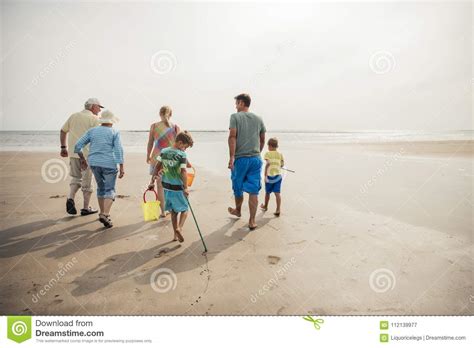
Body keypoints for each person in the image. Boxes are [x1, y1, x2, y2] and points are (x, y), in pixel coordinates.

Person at [74, 110, 125, 228]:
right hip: (109, 163)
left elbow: (77, 146)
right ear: (112, 121)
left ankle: (103, 213)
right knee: (110, 189)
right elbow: (118, 150)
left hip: (94, 163)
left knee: (101, 188)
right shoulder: (114, 132)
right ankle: (105, 213)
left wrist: (82, 158)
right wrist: (121, 166)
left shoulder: (92, 131)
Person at [227, 93, 266, 230]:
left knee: (238, 187)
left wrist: (231, 157)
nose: (235, 106)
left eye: (237, 103)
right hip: (256, 159)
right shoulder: (258, 119)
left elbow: (232, 137)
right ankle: (252, 221)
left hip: (240, 159)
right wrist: (257, 152)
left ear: (242, 103)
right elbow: (262, 139)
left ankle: (238, 210)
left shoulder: (235, 117)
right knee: (254, 190)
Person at [148, 131, 194, 243]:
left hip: (167, 187)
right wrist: (186, 187)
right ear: (179, 142)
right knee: (185, 209)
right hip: (178, 187)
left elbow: (157, 167)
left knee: (173, 212)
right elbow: (183, 171)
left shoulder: (163, 151)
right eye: (185, 147)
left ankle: (175, 235)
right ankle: (180, 228)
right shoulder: (182, 155)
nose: (184, 149)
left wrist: (152, 182)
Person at [60, 98, 102, 216]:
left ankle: (70, 198)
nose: (99, 110)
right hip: (88, 155)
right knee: (87, 182)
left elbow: (63, 131)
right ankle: (85, 208)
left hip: (74, 153)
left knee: (76, 178)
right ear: (93, 106)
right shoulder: (95, 119)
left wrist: (63, 147)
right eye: (99, 107)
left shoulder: (73, 116)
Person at [147, 106, 181, 218]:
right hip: (171, 159)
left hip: (156, 158)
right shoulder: (175, 127)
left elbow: (150, 143)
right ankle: (172, 208)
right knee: (171, 185)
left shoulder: (154, 126)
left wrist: (148, 155)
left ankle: (163, 211)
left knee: (160, 186)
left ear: (159, 114)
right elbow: (180, 145)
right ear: (170, 114)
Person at [260, 137, 284, 216]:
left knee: (267, 193)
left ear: (270, 146)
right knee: (277, 193)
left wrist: (265, 175)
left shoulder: (268, 153)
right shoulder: (280, 154)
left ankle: (265, 206)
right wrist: (280, 165)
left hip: (270, 176)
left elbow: (268, 164)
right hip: (278, 176)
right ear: (276, 146)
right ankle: (278, 209)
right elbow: (282, 164)